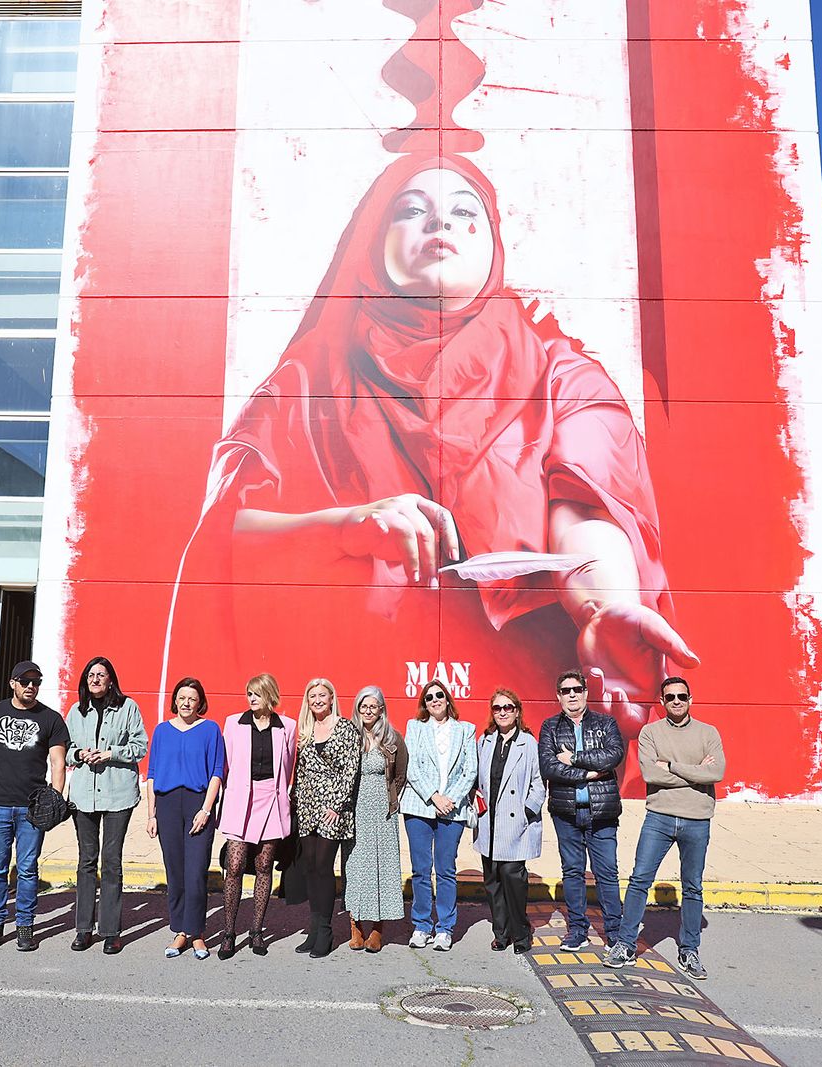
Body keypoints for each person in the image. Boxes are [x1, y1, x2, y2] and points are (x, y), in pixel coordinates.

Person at [163, 152, 697, 742]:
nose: (439, 224)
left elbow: (587, 506)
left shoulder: (561, 374)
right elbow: (226, 538)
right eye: (411, 210)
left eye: (465, 212)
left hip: (526, 704)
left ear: (495, 244)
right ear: (372, 242)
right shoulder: (308, 379)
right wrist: (347, 525)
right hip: (346, 711)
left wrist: (604, 607)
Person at [607, 676, 723, 981]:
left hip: (697, 819)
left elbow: (717, 771)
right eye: (670, 697)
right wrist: (697, 773)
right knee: (639, 880)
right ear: (661, 702)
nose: (676, 702)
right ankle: (625, 944)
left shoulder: (708, 733)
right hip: (659, 817)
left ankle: (690, 950)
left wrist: (670, 767)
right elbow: (649, 773)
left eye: (681, 697)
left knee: (693, 886)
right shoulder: (650, 733)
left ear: (690, 699)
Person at [0, 660, 68, 952]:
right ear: (12, 683)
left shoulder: (50, 718)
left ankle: (25, 926)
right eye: (25, 681)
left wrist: (55, 796)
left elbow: (58, 761)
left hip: (31, 809)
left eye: (36, 682)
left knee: (27, 869)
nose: (31, 686)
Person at [65, 656, 148, 955]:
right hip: (84, 795)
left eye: (101, 674)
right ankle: (83, 929)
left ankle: (111, 931)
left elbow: (141, 747)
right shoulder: (76, 711)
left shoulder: (128, 708)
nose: (96, 679)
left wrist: (110, 753)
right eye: (91, 675)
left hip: (118, 795)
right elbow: (64, 750)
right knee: (87, 860)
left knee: (111, 860)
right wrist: (79, 754)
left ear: (111, 679)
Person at [538, 668, 624, 952]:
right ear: (558, 696)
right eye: (566, 691)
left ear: (586, 693)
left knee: (607, 873)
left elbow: (612, 755)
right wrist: (587, 774)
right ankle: (577, 930)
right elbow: (550, 767)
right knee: (572, 872)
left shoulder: (606, 723)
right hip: (566, 813)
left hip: (602, 812)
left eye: (577, 690)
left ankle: (614, 931)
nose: (572, 695)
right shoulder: (550, 727)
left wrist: (574, 758)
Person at [216, 673, 298, 959]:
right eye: (249, 693)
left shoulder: (287, 726)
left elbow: (288, 768)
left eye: (256, 693)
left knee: (264, 866)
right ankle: (228, 933)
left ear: (269, 696)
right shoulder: (233, 724)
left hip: (271, 801)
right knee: (235, 864)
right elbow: (224, 765)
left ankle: (257, 931)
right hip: (241, 801)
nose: (251, 698)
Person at [146, 677, 226, 960]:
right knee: (175, 871)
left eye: (192, 698)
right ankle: (180, 930)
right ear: (175, 700)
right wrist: (151, 814)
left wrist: (205, 810)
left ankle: (197, 933)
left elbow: (217, 771)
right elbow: (152, 774)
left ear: (200, 702)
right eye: (182, 697)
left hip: (197, 802)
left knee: (195, 872)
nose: (186, 702)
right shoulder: (162, 731)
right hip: (167, 805)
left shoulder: (210, 729)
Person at [400, 679, 477, 951]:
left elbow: (470, 771)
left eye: (439, 695)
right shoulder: (415, 728)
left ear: (448, 699)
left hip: (452, 810)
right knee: (421, 870)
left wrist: (450, 799)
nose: (434, 700)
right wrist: (433, 796)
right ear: (424, 703)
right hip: (419, 806)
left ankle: (445, 928)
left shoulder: (466, 730)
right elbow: (410, 767)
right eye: (429, 697)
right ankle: (421, 925)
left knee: (446, 870)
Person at [289, 678, 360, 957]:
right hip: (307, 807)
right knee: (309, 867)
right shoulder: (305, 730)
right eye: (312, 696)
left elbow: (350, 770)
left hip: (333, 809)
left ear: (332, 698)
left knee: (323, 865)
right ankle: (314, 928)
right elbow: (300, 771)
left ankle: (326, 932)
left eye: (322, 695)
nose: (317, 700)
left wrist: (337, 804)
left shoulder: (345, 729)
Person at [474, 687, 545, 954]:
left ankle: (521, 932)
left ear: (517, 712)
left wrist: (528, 810)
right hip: (489, 821)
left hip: (515, 822)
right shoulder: (485, 741)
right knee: (492, 881)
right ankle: (500, 933)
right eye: (497, 708)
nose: (502, 712)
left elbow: (538, 783)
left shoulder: (528, 743)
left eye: (508, 708)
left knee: (513, 878)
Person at [342, 686, 407, 953]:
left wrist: (391, 801)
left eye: (373, 706)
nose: (368, 711)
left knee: (381, 868)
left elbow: (401, 773)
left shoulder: (392, 738)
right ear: (357, 708)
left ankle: (378, 930)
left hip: (382, 811)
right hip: (355, 808)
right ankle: (355, 926)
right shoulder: (349, 736)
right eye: (363, 706)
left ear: (381, 709)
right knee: (355, 866)